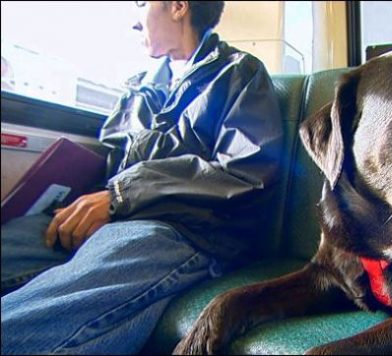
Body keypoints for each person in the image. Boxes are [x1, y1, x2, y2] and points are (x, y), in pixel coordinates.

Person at [1, 1, 282, 354]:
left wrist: (123, 195)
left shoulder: (239, 73)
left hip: (185, 229)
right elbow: (113, 163)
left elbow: (247, 170)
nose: (135, 21)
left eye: (142, 3)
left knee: (45, 309)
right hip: (115, 216)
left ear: (179, 6)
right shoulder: (137, 89)